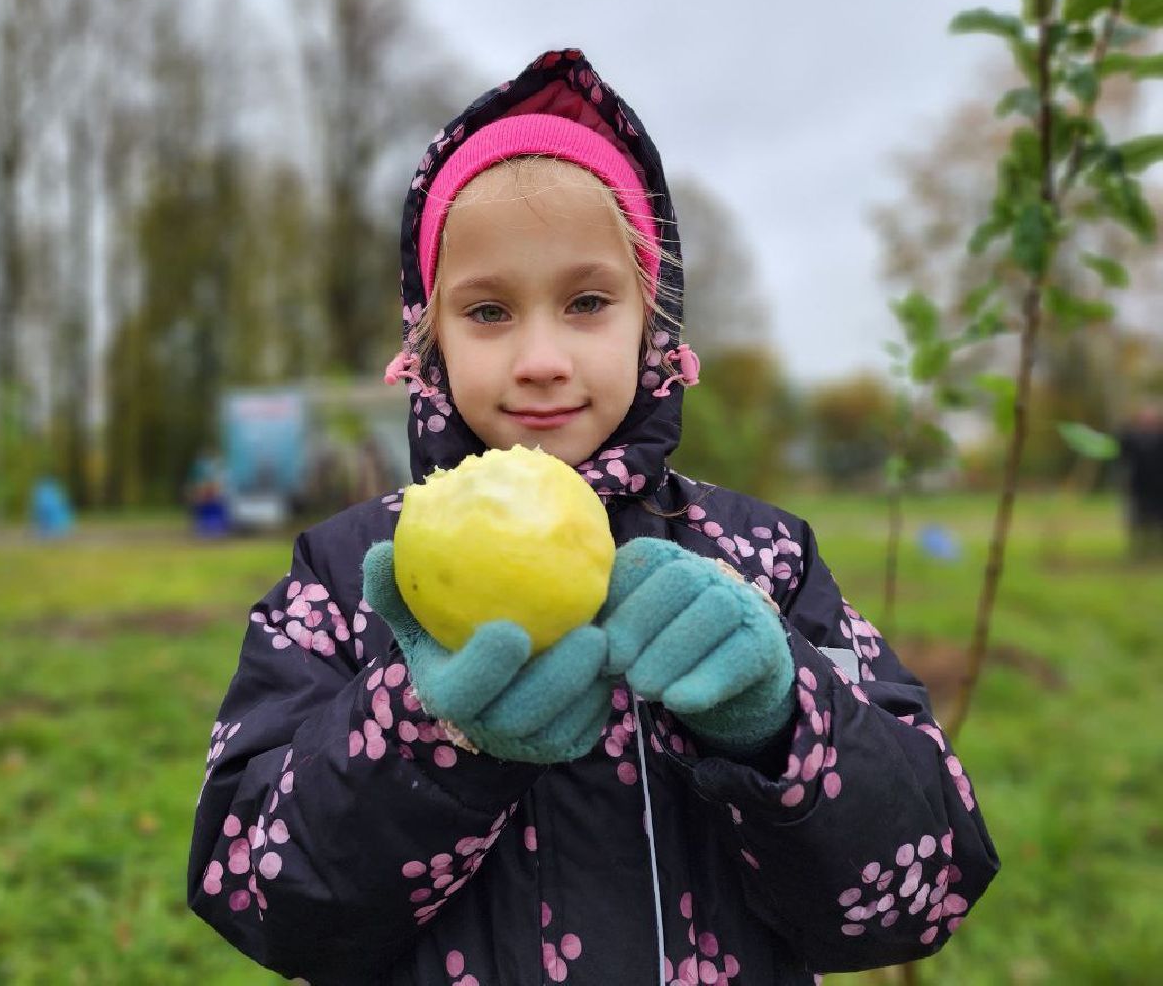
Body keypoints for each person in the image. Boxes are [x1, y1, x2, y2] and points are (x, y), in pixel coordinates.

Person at [187, 49, 999, 985]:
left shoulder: (763, 559)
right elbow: (257, 896)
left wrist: (780, 719)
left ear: (650, 322)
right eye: (488, 311)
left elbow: (921, 891)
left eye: (586, 302)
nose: (541, 358)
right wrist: (427, 733)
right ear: (429, 338)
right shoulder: (349, 578)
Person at [1118, 400, 1163, 559]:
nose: (1148, 421)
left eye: (1151, 418)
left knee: (1158, 521)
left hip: (1159, 488)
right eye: (1145, 417)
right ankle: (1139, 551)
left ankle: (1156, 549)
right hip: (1138, 486)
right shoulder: (1131, 437)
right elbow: (1122, 452)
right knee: (1138, 520)